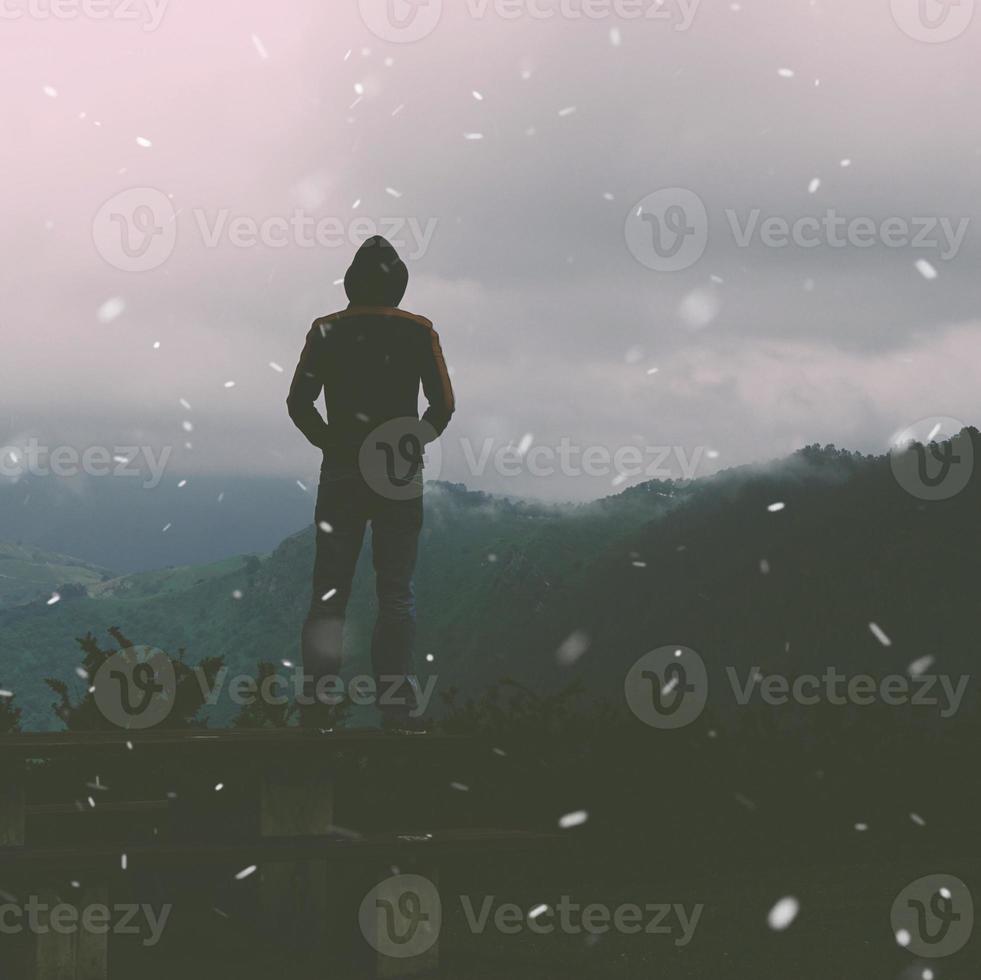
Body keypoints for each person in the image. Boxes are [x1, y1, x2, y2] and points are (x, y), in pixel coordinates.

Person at [287, 236, 455, 733]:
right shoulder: (418, 331)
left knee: (329, 593)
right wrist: (413, 440)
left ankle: (318, 706)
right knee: (396, 593)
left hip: (341, 473)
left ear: (351, 285)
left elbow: (299, 402)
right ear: (399, 286)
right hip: (399, 474)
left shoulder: (327, 330)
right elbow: (442, 405)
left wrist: (331, 443)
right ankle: (396, 707)